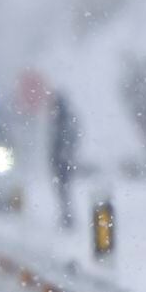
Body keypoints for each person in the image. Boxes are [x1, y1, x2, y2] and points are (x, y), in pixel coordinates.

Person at [49, 86, 81, 228]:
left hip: (62, 161)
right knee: (63, 190)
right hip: (63, 160)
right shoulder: (60, 119)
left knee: (64, 190)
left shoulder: (62, 120)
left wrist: (64, 155)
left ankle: (67, 217)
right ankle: (66, 216)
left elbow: (63, 140)